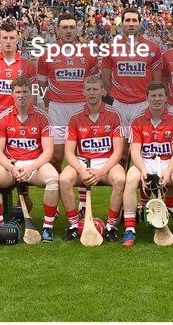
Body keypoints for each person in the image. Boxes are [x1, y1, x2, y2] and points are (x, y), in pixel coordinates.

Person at [0, 76, 60, 241]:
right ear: (12, 94)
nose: (21, 95)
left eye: (25, 92)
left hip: (35, 165)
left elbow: (48, 152)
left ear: (30, 94)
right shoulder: (3, 118)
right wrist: (12, 168)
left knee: (53, 179)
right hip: (12, 165)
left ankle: (48, 228)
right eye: (18, 92)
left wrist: (30, 168)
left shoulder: (42, 117)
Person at [37, 14, 99, 210]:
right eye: (64, 27)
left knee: (82, 155)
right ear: (58, 29)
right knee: (55, 156)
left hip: (81, 110)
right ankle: (54, 201)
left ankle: (82, 204)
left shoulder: (88, 54)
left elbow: (92, 84)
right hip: (57, 109)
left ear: (77, 29)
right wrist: (49, 104)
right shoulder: (47, 54)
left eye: (72, 27)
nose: (69, 30)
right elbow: (41, 84)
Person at [121, 81, 173, 247]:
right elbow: (135, 150)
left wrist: (167, 173)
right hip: (145, 161)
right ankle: (130, 229)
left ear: (166, 98)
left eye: (160, 95)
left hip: (168, 162)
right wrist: (143, 170)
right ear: (147, 98)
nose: (157, 99)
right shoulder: (137, 121)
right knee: (131, 179)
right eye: (153, 96)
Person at [58, 75, 127, 243]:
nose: (92, 93)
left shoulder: (114, 115)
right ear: (83, 92)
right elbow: (69, 152)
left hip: (106, 162)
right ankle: (74, 225)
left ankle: (111, 226)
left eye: (95, 89)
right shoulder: (75, 117)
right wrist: (82, 171)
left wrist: (100, 172)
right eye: (88, 89)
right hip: (82, 161)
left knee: (120, 179)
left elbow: (118, 151)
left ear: (103, 91)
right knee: (64, 179)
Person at [0, 23, 37, 165]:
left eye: (12, 38)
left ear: (17, 40)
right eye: (5, 38)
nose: (8, 41)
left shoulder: (27, 65)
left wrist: (25, 115)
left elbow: (33, 93)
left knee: (22, 164)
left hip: (19, 119)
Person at [102, 8, 163, 135]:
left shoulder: (153, 48)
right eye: (127, 20)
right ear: (122, 23)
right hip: (119, 104)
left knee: (144, 144)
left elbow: (157, 81)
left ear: (140, 24)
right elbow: (105, 80)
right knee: (120, 146)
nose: (131, 24)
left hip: (143, 103)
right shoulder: (111, 48)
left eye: (134, 20)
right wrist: (115, 98)